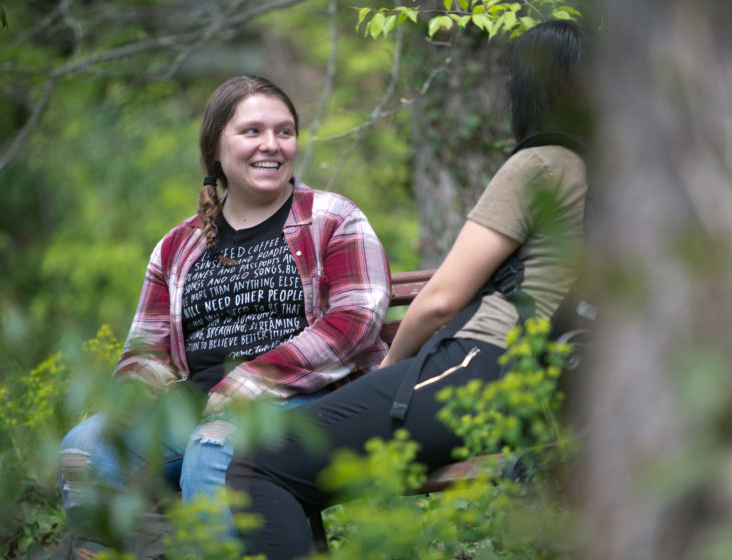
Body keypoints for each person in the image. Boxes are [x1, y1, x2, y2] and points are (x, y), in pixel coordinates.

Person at [227, 19, 593, 560]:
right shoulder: (623, 175)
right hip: (566, 383)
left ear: (527, 88)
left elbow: (441, 299)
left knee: (260, 461)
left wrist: (388, 371)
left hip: (489, 370)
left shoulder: (541, 164)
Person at [57, 76, 391, 549]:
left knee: (214, 448)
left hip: (307, 403)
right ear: (216, 148)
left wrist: (254, 379)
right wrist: (144, 392)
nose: (271, 145)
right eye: (252, 131)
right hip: (195, 409)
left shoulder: (333, 218)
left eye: (285, 131)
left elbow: (356, 321)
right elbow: (145, 349)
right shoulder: (178, 246)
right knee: (86, 449)